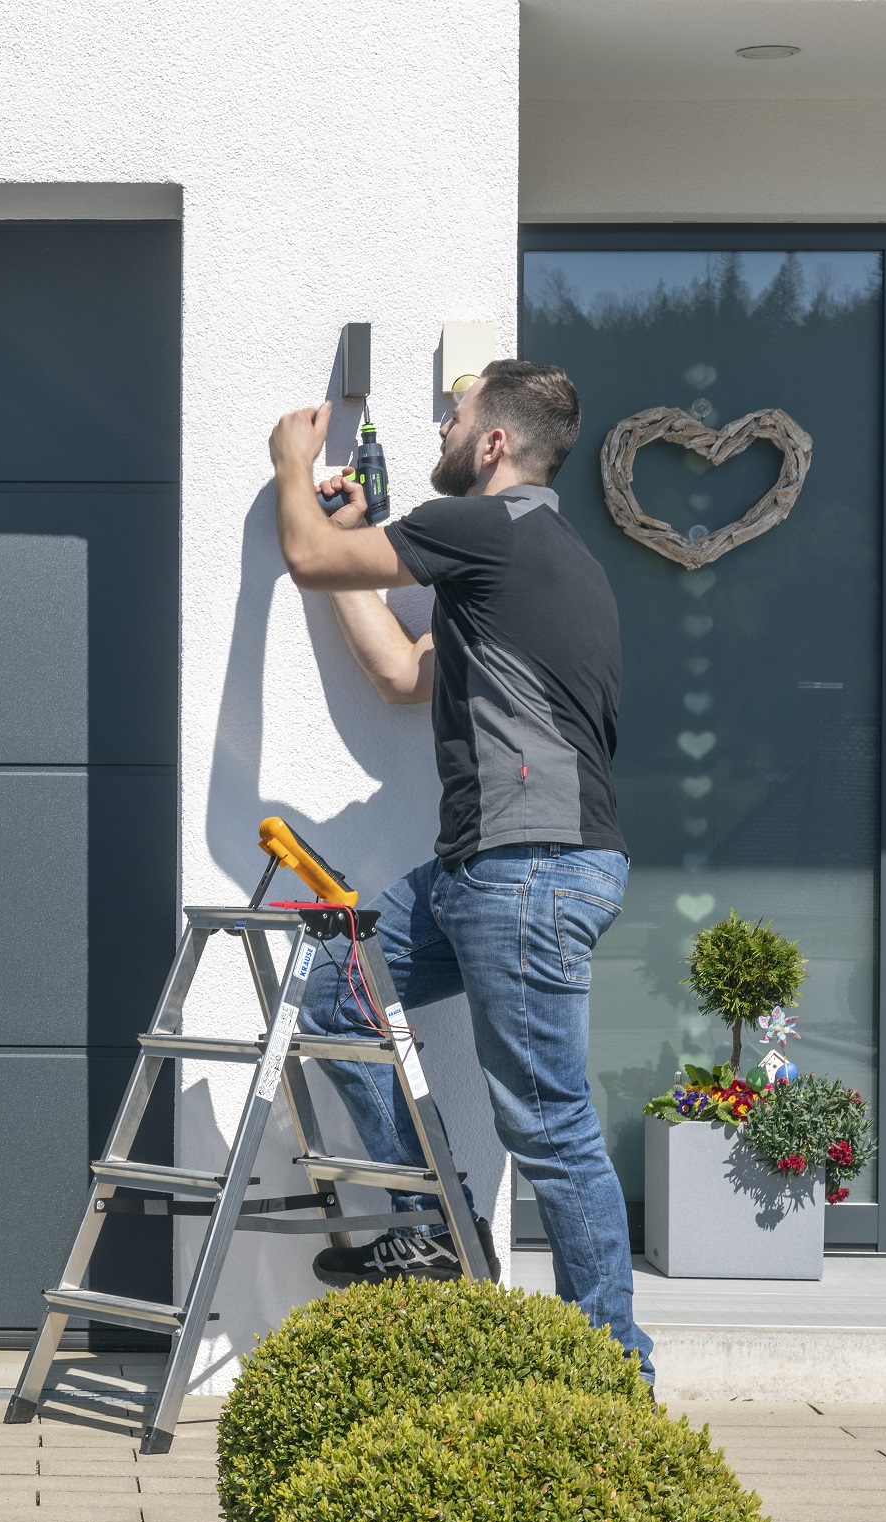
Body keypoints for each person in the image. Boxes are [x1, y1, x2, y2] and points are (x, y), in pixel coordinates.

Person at [264, 359, 652, 1378]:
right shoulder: (537, 559)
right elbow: (400, 673)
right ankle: (423, 1221)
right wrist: (357, 536)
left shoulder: (490, 528)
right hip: (494, 869)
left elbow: (308, 557)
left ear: (492, 445)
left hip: (523, 869)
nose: (442, 420)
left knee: (551, 1124)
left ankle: (615, 1368)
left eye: (456, 411)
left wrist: (290, 466)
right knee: (336, 987)